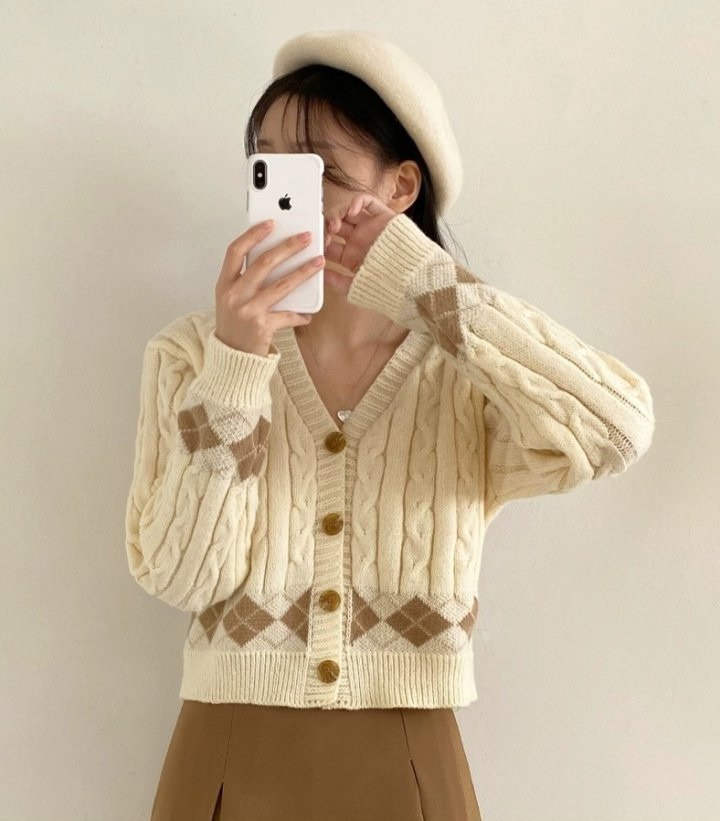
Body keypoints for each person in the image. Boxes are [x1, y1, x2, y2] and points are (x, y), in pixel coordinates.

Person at [125, 30, 655, 821]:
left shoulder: (465, 376)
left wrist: (429, 285)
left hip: (409, 752)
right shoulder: (192, 356)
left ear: (401, 186)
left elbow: (617, 428)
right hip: (226, 748)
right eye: (269, 167)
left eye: (323, 172)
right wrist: (237, 363)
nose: (292, 195)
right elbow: (182, 578)